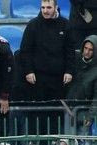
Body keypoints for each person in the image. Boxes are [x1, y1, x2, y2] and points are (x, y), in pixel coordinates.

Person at [20, 0, 75, 136]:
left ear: (56, 7)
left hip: (58, 80)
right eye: (43, 7)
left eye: (49, 7)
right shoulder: (33, 25)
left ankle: (55, 144)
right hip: (37, 79)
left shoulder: (66, 25)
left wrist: (69, 71)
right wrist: (28, 71)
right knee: (37, 114)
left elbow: (70, 51)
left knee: (56, 115)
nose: (45, 10)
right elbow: (25, 51)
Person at [66, 36, 97, 136]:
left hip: (84, 114)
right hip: (67, 111)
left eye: (91, 50)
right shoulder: (73, 60)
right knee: (66, 143)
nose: (87, 52)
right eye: (85, 48)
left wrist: (90, 116)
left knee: (84, 144)